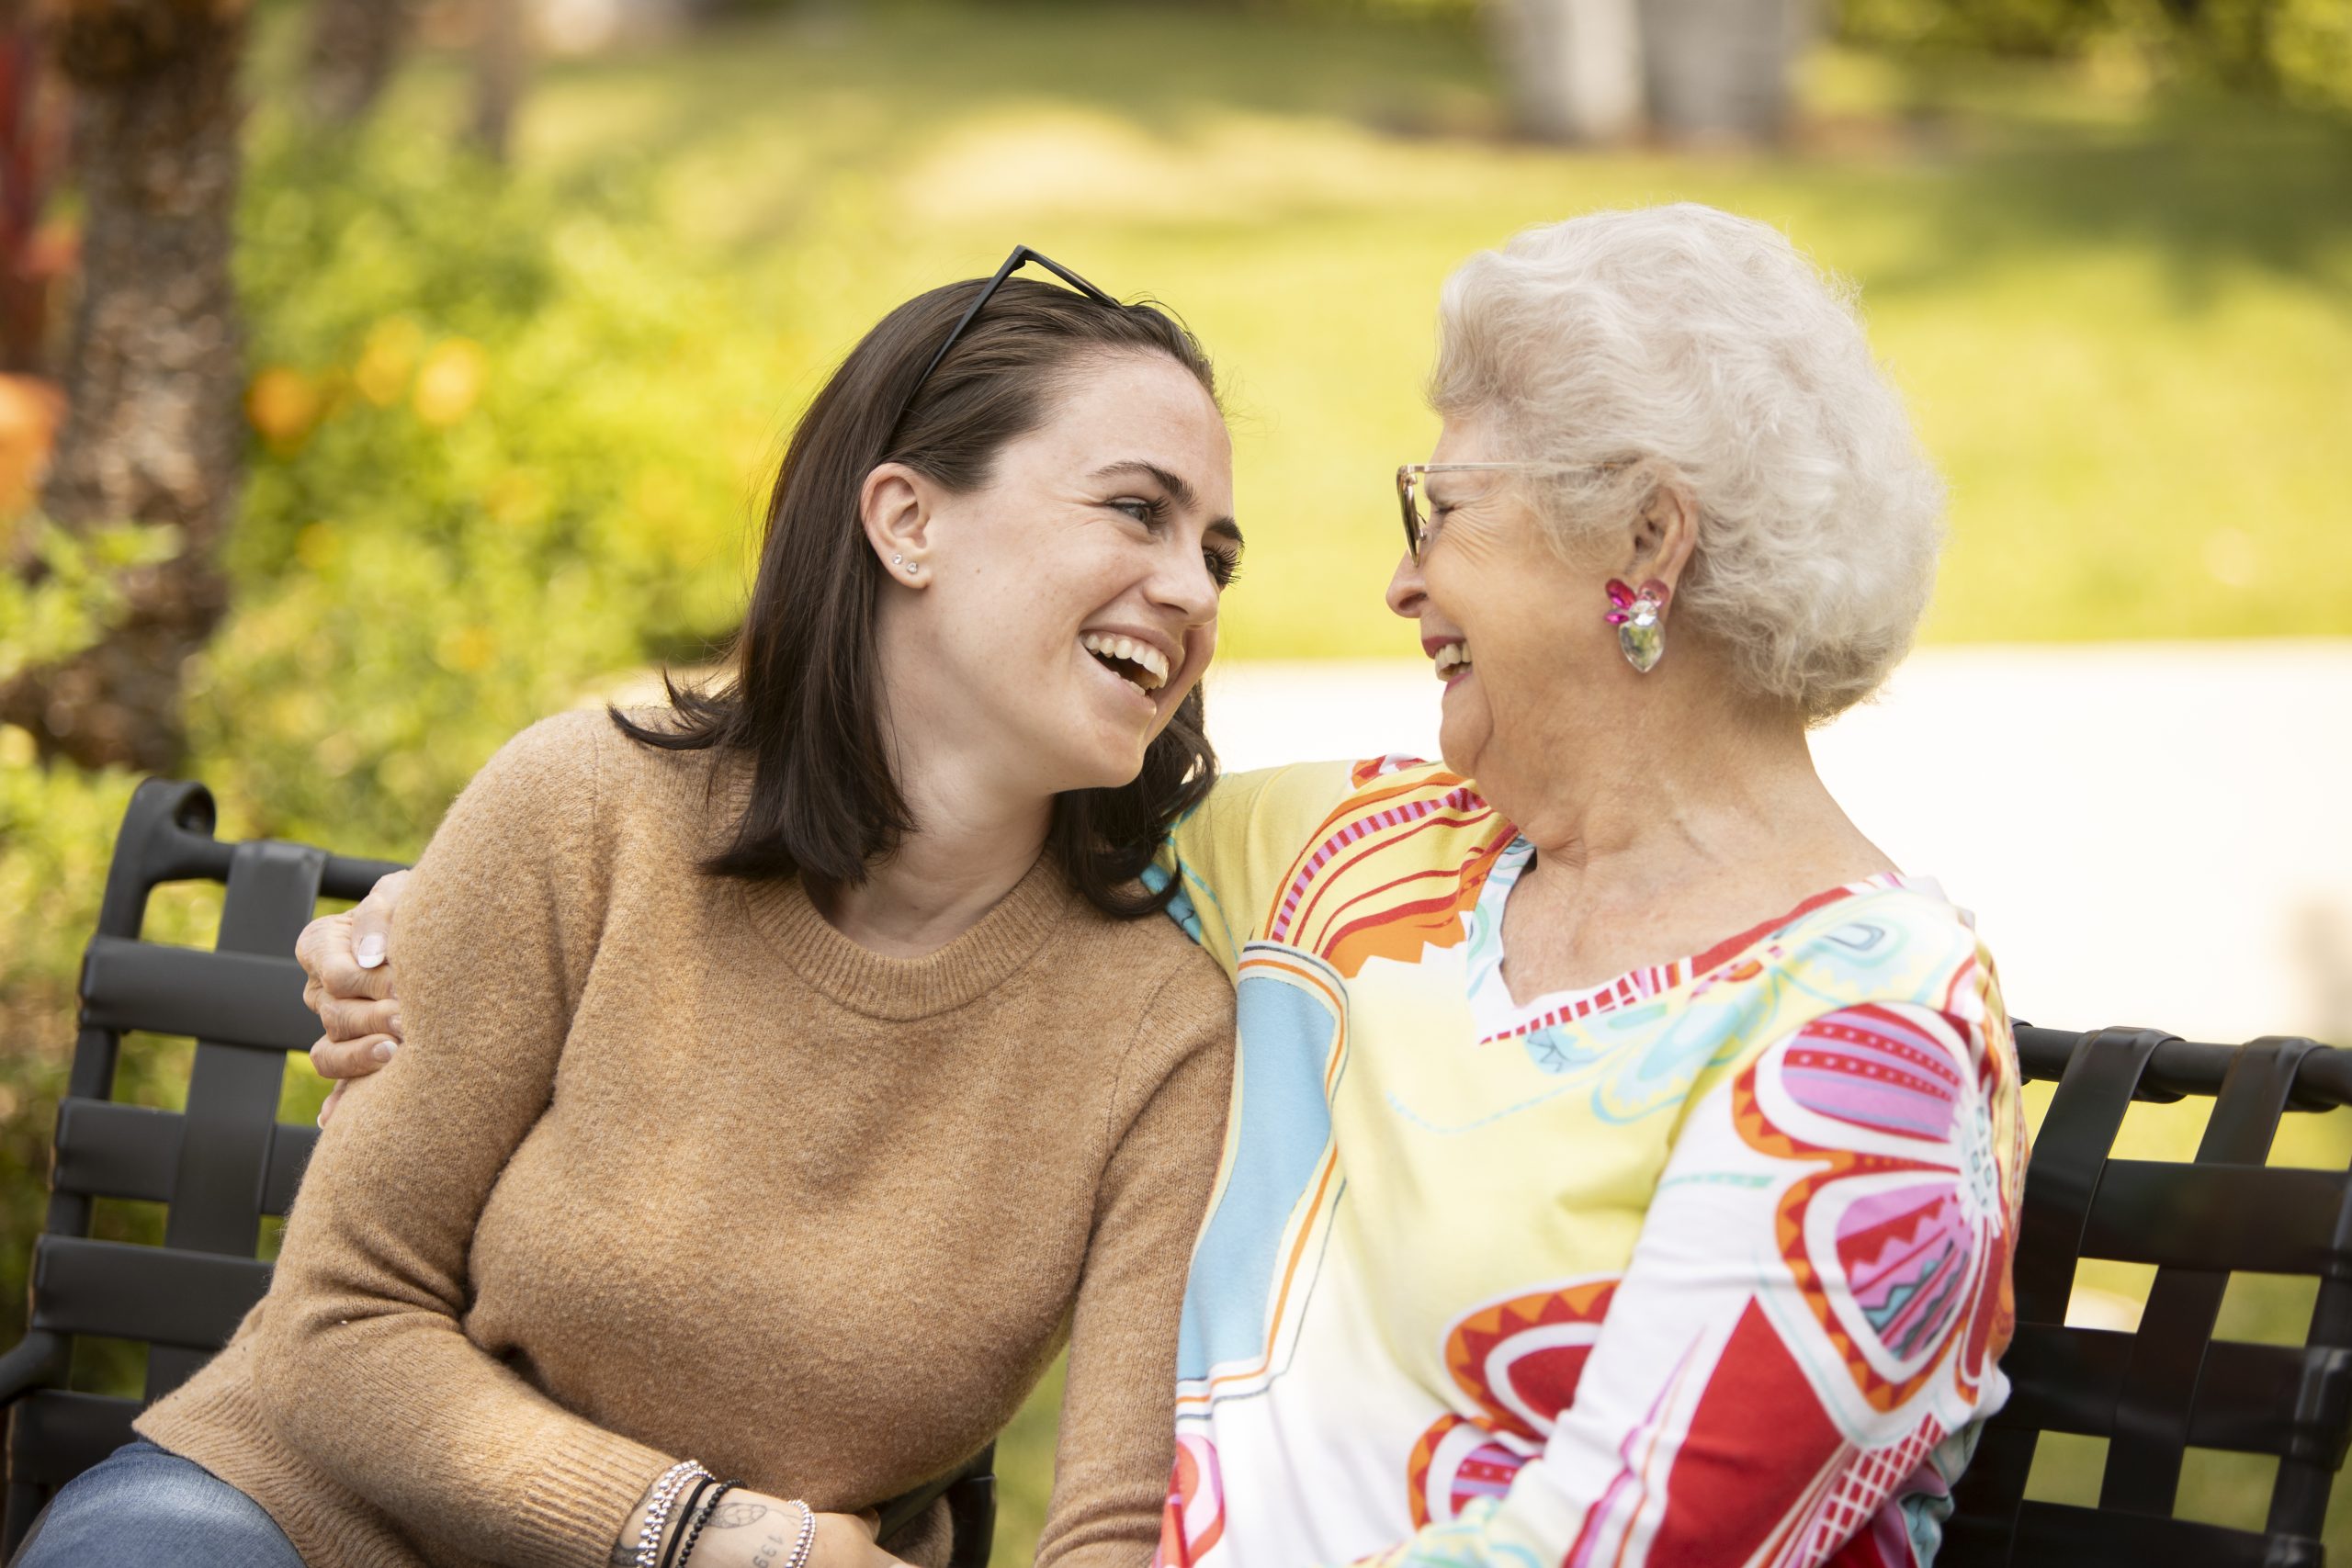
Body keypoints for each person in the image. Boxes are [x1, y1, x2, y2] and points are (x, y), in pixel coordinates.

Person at [300, 204, 2024, 1568]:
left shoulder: (1870, 1051)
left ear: (1642, 545)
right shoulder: (1358, 863)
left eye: (1444, 508)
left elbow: (1625, 1545)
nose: (1402, 579)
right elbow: (922, 788)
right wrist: (407, 934)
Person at [12, 258, 1248, 1568]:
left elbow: (1120, 1528)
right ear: (906, 521)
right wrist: (711, 1538)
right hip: (304, 1523)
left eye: (1217, 554)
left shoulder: (1159, 1026)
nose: (1195, 592)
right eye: (1136, 512)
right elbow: (339, 1327)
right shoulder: (589, 808)